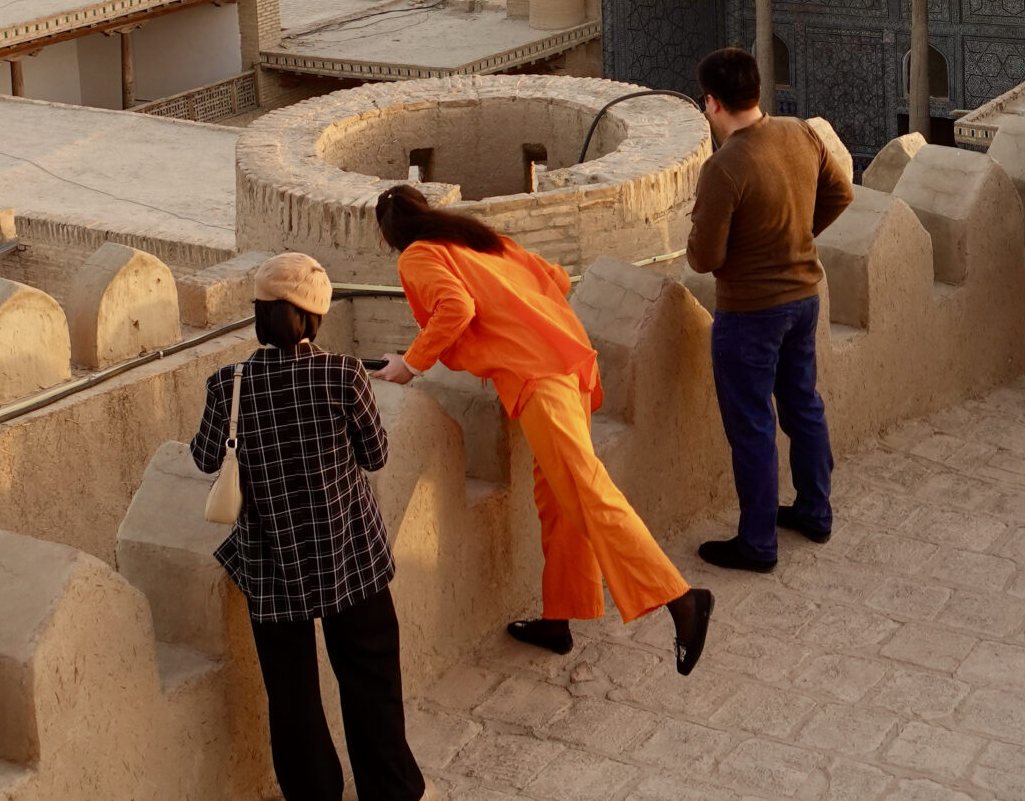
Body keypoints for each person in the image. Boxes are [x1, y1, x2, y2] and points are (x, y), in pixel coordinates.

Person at [371, 192, 715, 673]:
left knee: (583, 489)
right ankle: (560, 616)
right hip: (568, 362)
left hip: (537, 378)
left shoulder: (419, 255)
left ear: (389, 237)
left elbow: (454, 306)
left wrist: (410, 364)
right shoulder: (483, 241)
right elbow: (552, 277)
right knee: (556, 496)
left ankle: (680, 598)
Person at [190, 252, 424, 801]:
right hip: (350, 555)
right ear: (314, 316)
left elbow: (205, 458)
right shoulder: (342, 374)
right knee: (372, 681)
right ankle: (390, 790)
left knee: (291, 695)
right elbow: (375, 454)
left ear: (261, 315)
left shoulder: (230, 385)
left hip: (272, 566)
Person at [684, 45, 853, 571]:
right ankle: (814, 511)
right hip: (803, 298)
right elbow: (841, 193)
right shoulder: (800, 133)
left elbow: (704, 258)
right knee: (803, 406)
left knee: (752, 425)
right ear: (757, 90)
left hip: (750, 313)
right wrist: (797, 239)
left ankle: (757, 543)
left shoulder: (725, 166)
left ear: (711, 103)